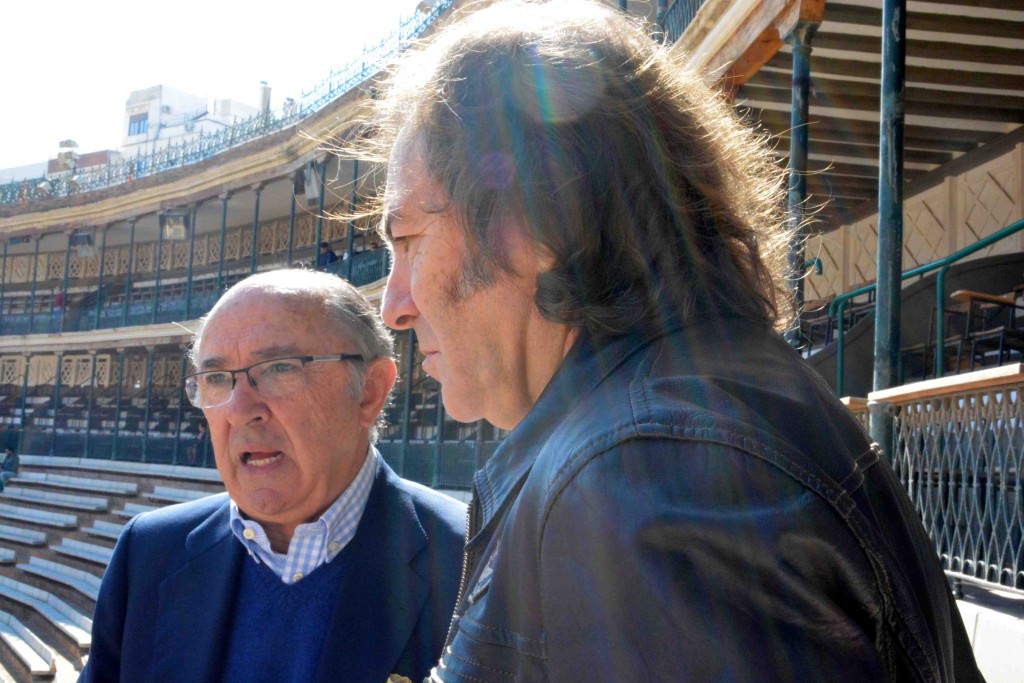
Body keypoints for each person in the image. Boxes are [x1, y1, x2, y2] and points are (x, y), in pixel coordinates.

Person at [363, 2, 984, 681]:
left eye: (407, 240)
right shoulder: (669, 429)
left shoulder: (645, 476)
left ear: (536, 222)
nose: (393, 306)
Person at [81, 269, 466, 683]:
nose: (240, 409)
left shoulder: (474, 562)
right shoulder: (150, 551)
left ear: (370, 391)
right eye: (215, 379)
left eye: (279, 368)